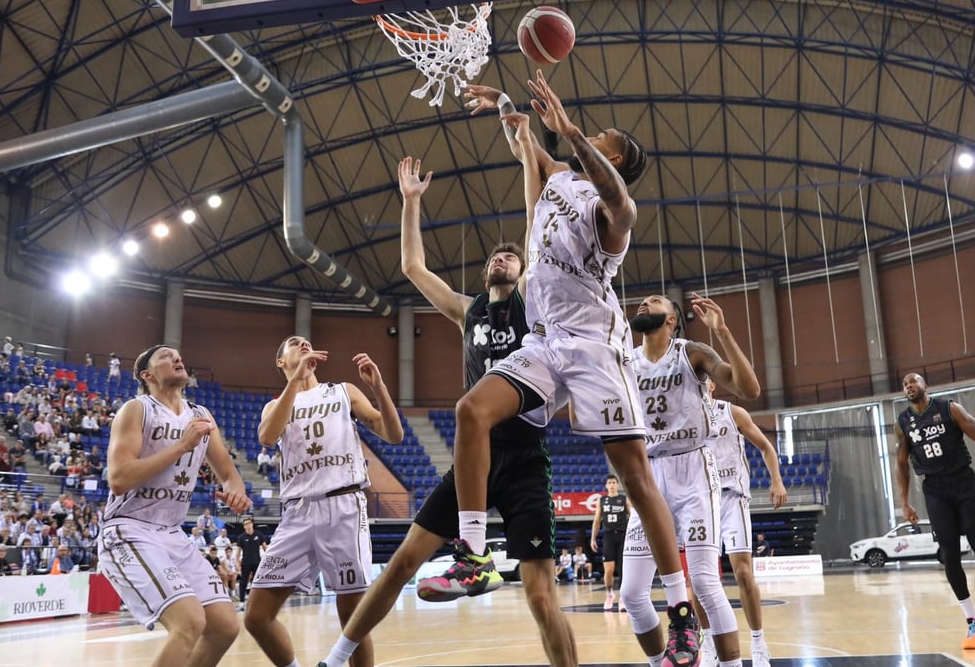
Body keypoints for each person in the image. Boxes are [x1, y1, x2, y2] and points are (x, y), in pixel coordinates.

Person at [444, 70, 701, 666]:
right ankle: (475, 556)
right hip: (544, 340)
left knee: (634, 474)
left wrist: (573, 133)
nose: (596, 133)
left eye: (605, 137)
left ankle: (682, 613)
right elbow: (524, 144)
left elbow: (621, 202)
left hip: (594, 345)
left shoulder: (614, 216)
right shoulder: (558, 178)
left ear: (612, 155)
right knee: (470, 411)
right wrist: (508, 106)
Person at [317, 139, 578, 667]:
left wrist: (529, 154)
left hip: (525, 457)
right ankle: (337, 657)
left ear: (523, 267)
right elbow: (413, 267)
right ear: (485, 274)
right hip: (472, 463)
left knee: (540, 596)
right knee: (399, 565)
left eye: (511, 255)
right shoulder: (468, 311)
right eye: (495, 257)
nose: (502, 258)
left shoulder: (533, 302)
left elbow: (534, 227)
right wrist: (411, 201)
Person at [620, 293, 761, 667]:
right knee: (632, 593)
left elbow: (749, 389)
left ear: (672, 319)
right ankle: (661, 663)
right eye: (642, 302)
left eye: (654, 301)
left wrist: (724, 332)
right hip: (648, 476)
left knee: (704, 583)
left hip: (693, 471)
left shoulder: (691, 352)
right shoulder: (625, 360)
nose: (643, 304)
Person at [244, 339, 403, 667]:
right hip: (296, 513)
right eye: (293, 343)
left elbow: (394, 434)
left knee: (352, 617)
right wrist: (295, 381)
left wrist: (379, 388)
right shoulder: (275, 406)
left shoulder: (343, 390)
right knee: (256, 616)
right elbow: (267, 437)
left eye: (307, 342)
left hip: (342, 506)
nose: (303, 343)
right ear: (280, 362)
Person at [98, 345, 252, 666]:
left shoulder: (201, 416)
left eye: (178, 354)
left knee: (224, 626)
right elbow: (119, 478)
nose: (177, 358)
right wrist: (184, 445)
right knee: (190, 622)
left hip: (172, 534)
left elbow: (228, 473)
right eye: (165, 357)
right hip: (129, 528)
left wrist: (236, 492)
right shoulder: (137, 409)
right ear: (148, 375)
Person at [896, 373, 975, 650]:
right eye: (905, 384)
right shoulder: (903, 422)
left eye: (913, 381)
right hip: (935, 490)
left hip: (963, 483)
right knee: (949, 556)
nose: (909, 386)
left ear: (925, 385)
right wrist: (905, 502)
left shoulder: (949, 408)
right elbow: (902, 464)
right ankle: (974, 622)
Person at [705, 380, 787, 667]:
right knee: (702, 579)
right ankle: (707, 643)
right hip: (700, 501)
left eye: (703, 377)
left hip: (733, 498)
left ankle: (758, 642)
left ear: (712, 384)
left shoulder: (733, 412)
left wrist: (776, 479)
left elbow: (765, 447)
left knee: (743, 574)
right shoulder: (684, 415)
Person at [590, 474, 631, 611]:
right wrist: (593, 538)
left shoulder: (624, 499)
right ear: (606, 486)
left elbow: (632, 517)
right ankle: (609, 594)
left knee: (623, 570)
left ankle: (622, 598)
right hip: (608, 536)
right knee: (608, 570)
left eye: (614, 482)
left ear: (618, 485)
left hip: (623, 536)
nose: (612, 484)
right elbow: (597, 521)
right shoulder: (602, 500)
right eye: (609, 482)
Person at [234, 518, 267, 608]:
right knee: (243, 583)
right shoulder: (241, 537)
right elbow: (238, 553)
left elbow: (265, 548)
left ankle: (260, 601)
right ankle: (241, 602)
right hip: (245, 563)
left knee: (258, 582)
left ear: (252, 524)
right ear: (244, 526)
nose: (247, 525)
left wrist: (269, 559)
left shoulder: (259, 535)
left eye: (249, 523)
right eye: (245, 524)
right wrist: (237, 563)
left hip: (257, 562)